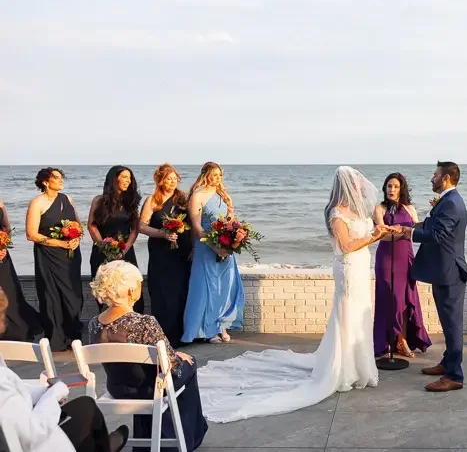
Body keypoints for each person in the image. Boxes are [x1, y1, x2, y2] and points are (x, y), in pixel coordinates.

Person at [193, 166, 389, 422]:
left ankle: (360, 366)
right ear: (345, 186)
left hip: (362, 267)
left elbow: (366, 233)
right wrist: (374, 236)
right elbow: (346, 246)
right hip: (349, 268)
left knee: (361, 314)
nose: (359, 187)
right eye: (354, 184)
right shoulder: (337, 213)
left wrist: (380, 229)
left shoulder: (358, 210)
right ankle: (342, 369)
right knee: (347, 313)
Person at [87, 261, 207, 451]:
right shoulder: (144, 322)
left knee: (143, 372)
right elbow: (171, 365)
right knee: (188, 367)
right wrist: (176, 356)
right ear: (130, 291)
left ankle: (150, 438)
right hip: (148, 389)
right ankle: (189, 437)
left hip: (118, 388)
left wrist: (171, 354)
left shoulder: (94, 323)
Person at [0, 287, 129, 452]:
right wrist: (53, 396)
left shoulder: (95, 323)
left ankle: (102, 446)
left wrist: (41, 392)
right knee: (86, 419)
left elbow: (13, 398)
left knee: (85, 405)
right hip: (31, 442)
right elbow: (31, 434)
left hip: (22, 426)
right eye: (3, 315)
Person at [401, 161, 467, 393]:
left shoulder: (452, 203)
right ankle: (447, 363)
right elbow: (433, 224)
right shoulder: (447, 201)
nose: (432, 178)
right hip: (444, 272)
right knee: (447, 323)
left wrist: (408, 233)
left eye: (435, 175)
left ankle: (455, 376)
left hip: (450, 274)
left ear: (446, 178)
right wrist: (408, 226)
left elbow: (437, 234)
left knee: (452, 327)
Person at [181, 162, 244, 344]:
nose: (218, 178)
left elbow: (229, 222)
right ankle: (207, 331)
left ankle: (221, 325)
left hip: (225, 246)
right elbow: (197, 227)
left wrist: (231, 215)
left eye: (220, 175)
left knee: (224, 287)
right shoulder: (197, 196)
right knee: (207, 288)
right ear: (206, 175)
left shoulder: (223, 196)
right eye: (214, 174)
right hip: (206, 246)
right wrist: (214, 247)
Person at [372, 172, 431, 358]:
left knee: (405, 299)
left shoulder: (409, 208)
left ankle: (402, 340)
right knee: (389, 300)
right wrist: (402, 231)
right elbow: (381, 234)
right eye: (389, 186)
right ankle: (389, 341)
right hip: (386, 258)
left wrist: (407, 230)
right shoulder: (379, 209)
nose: (392, 189)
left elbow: (418, 230)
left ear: (401, 189)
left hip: (405, 258)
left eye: (396, 186)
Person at [25, 167, 83, 352]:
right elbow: (31, 234)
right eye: (56, 178)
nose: (61, 181)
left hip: (71, 255)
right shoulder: (37, 203)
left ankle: (73, 334)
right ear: (45, 182)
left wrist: (76, 237)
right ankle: (56, 339)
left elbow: (78, 225)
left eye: (61, 177)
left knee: (73, 295)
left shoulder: (68, 199)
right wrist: (59, 243)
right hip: (48, 256)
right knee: (51, 295)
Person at [138, 164, 192, 346]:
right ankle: (163, 336)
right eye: (169, 178)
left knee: (180, 292)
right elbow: (142, 226)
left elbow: (193, 223)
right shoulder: (152, 200)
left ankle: (182, 334)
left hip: (181, 253)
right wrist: (162, 233)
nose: (173, 181)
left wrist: (193, 248)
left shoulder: (183, 199)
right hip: (161, 253)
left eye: (175, 178)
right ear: (160, 180)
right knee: (162, 293)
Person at [88, 166, 141, 312]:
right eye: (124, 177)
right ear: (114, 179)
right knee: (105, 293)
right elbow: (92, 226)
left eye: (130, 178)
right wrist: (105, 247)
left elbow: (135, 229)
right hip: (102, 251)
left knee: (130, 292)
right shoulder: (99, 201)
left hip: (126, 251)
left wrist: (124, 250)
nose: (128, 181)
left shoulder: (131, 202)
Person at [0, 195, 42, 341]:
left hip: (2, 255)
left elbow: (6, 228)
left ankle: (16, 331)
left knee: (10, 291)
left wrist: (3, 244)